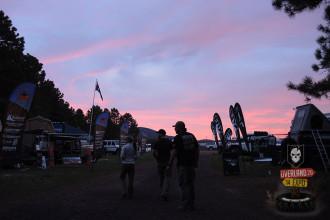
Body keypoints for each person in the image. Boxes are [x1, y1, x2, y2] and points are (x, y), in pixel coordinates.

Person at [168, 121, 199, 212]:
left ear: (180, 128)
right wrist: (196, 162)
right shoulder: (192, 136)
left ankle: (186, 205)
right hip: (191, 164)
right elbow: (197, 150)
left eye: (176, 127)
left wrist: (170, 163)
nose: (174, 129)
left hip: (182, 165)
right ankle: (191, 203)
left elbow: (174, 151)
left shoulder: (178, 138)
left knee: (183, 184)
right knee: (191, 184)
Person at [152, 129, 173, 201]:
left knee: (161, 178)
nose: (157, 135)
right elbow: (172, 152)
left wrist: (157, 158)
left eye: (158, 133)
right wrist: (171, 160)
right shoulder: (169, 141)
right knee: (167, 177)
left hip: (160, 162)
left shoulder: (157, 142)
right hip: (167, 162)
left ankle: (163, 192)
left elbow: (153, 153)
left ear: (161, 134)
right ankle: (165, 192)